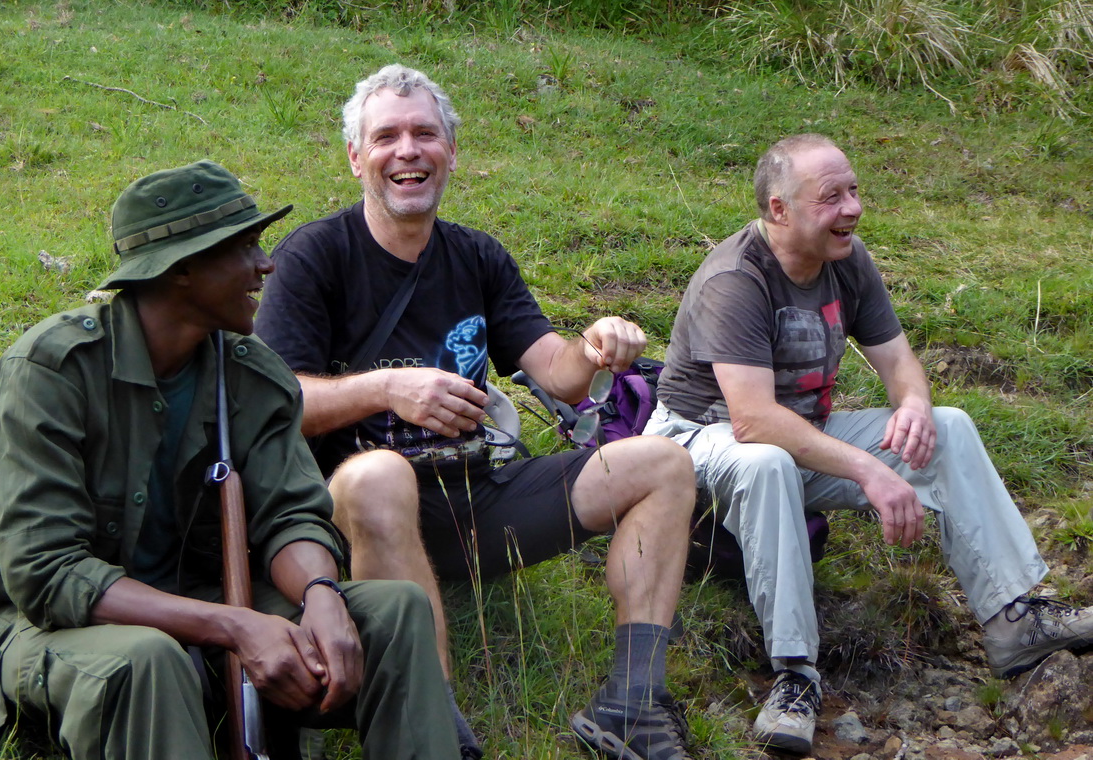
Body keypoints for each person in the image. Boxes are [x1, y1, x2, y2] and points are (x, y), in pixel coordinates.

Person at [254, 65, 697, 760]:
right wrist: (386, 390)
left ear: (451, 152)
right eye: (387, 137)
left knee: (664, 463)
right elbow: (276, 402)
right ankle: (432, 725)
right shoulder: (315, 257)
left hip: (475, 496)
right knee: (378, 476)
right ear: (355, 158)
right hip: (354, 512)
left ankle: (632, 704)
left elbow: (557, 373)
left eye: (425, 134)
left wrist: (594, 345)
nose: (408, 150)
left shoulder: (478, 256)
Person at [0, 160, 461, 760]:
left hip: (203, 604)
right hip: (53, 631)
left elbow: (290, 515)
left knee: (394, 610)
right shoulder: (52, 373)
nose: (265, 265)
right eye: (245, 248)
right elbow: (46, 574)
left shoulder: (250, 374)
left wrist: (322, 594)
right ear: (182, 270)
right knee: (148, 657)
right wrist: (233, 626)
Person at [645, 133, 1093, 756]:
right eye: (832, 197)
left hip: (795, 439)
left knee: (951, 426)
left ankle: (1013, 619)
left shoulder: (847, 262)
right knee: (769, 460)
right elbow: (751, 421)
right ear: (780, 209)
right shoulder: (735, 277)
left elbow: (898, 359)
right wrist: (869, 472)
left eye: (853, 190)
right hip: (693, 447)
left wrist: (912, 405)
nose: (852, 208)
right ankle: (794, 674)